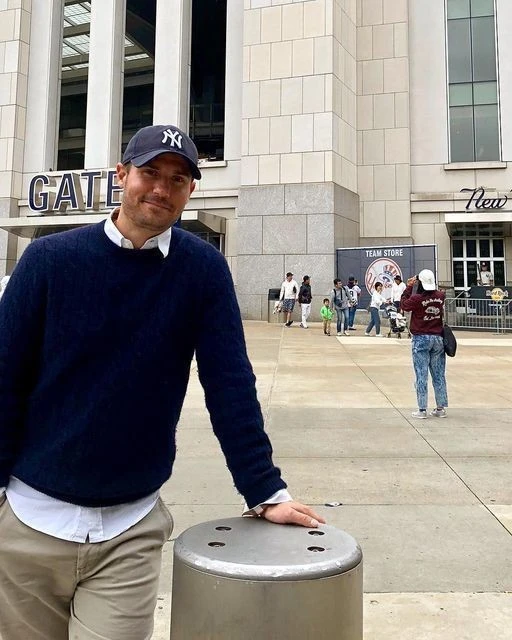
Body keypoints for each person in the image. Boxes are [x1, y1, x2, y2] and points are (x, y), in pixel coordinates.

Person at [0, 124, 324, 640]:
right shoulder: (49, 261)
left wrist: (264, 488)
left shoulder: (203, 270)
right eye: (149, 172)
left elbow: (229, 383)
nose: (161, 188)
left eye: (177, 179)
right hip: (27, 522)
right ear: (121, 175)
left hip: (129, 528)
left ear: (191, 190)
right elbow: (5, 377)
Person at [400, 269, 448, 419]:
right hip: (437, 338)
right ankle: (440, 408)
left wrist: (409, 287)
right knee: (438, 374)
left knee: (421, 374)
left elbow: (404, 305)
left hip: (421, 338)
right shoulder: (440, 296)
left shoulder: (417, 299)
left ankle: (422, 409)